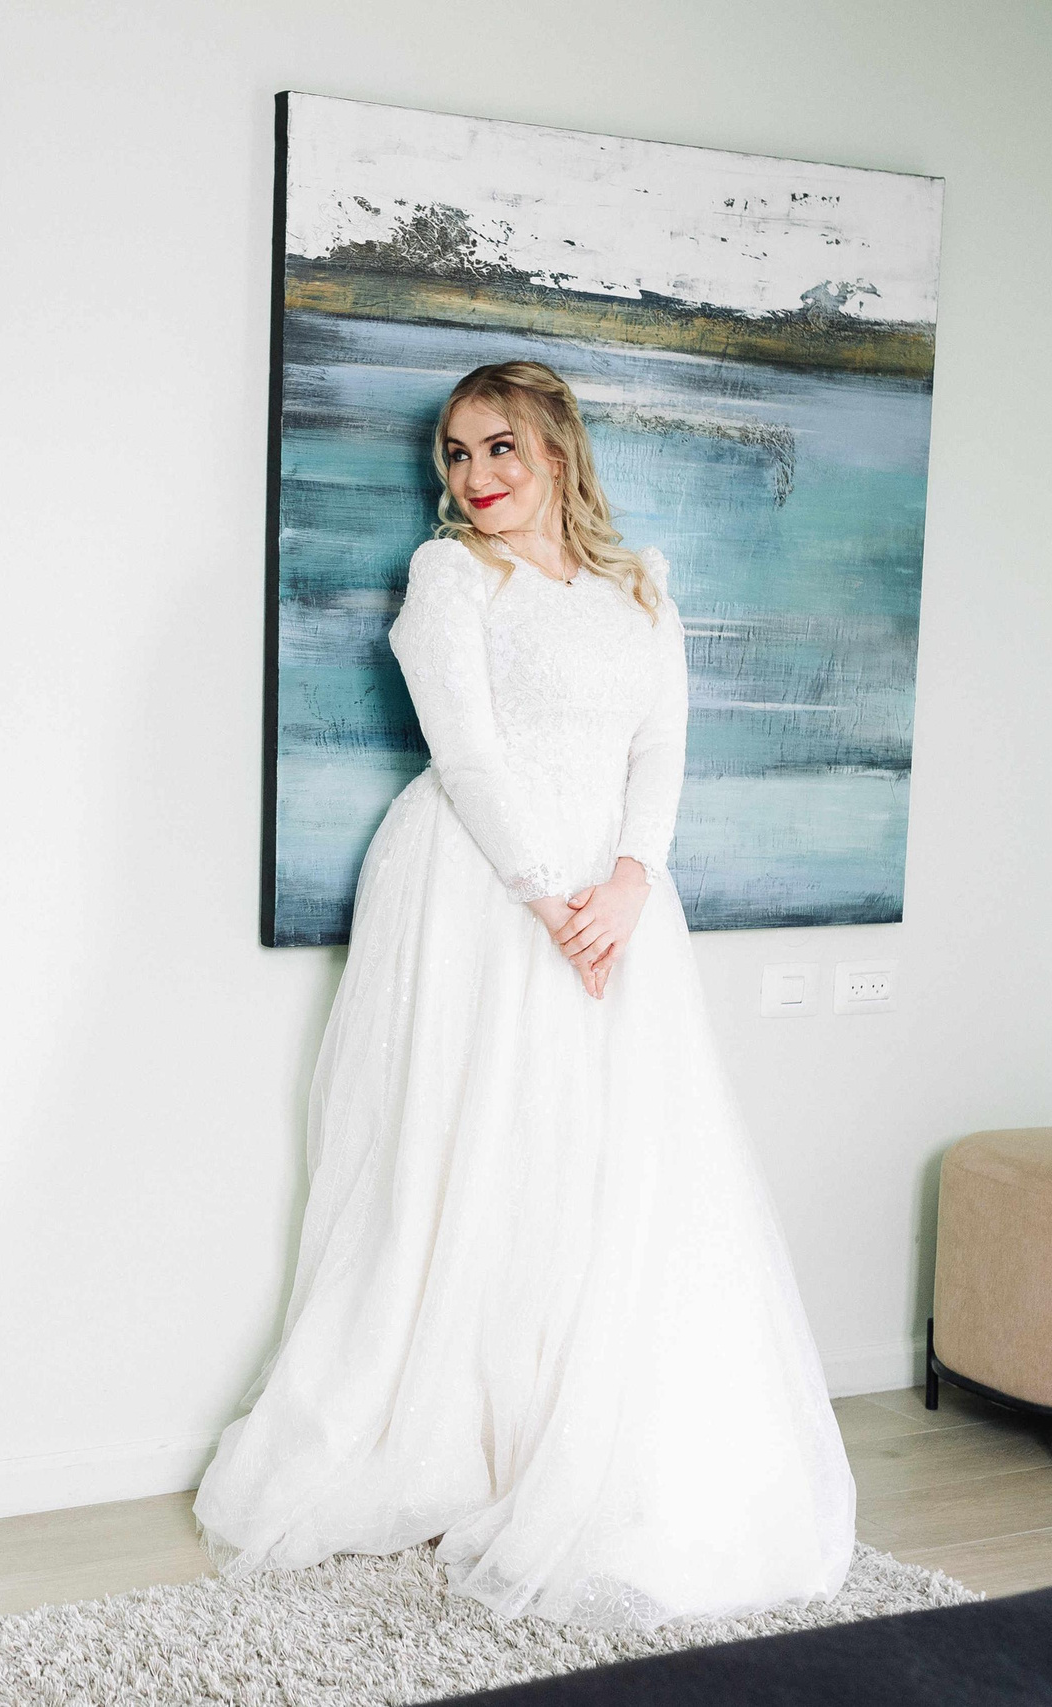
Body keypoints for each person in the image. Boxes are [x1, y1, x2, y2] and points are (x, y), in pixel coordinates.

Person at [195, 360, 856, 1629]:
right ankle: (461, 1438)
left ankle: (574, 1427)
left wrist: (623, 880)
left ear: (556, 454)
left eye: (498, 449)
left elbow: (661, 745)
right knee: (475, 1147)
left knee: (605, 1161)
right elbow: (466, 747)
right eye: (454, 455)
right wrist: (546, 895)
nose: (474, 477)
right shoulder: (449, 577)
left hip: (615, 904)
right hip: (479, 892)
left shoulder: (638, 584)